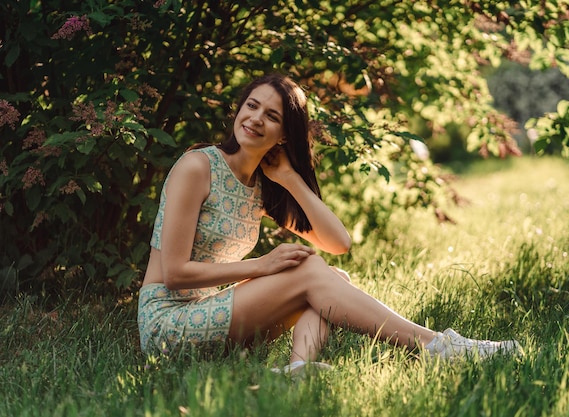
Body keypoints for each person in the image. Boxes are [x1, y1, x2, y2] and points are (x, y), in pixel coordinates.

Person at [137, 74, 520, 372]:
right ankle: (436, 346)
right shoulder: (198, 167)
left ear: (285, 134)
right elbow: (173, 273)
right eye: (251, 106)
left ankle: (298, 369)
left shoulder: (260, 185)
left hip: (213, 311)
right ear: (238, 110)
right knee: (308, 272)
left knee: (334, 278)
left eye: (272, 116)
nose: (256, 119)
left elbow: (338, 242)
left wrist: (289, 178)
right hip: (168, 324)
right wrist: (263, 265)